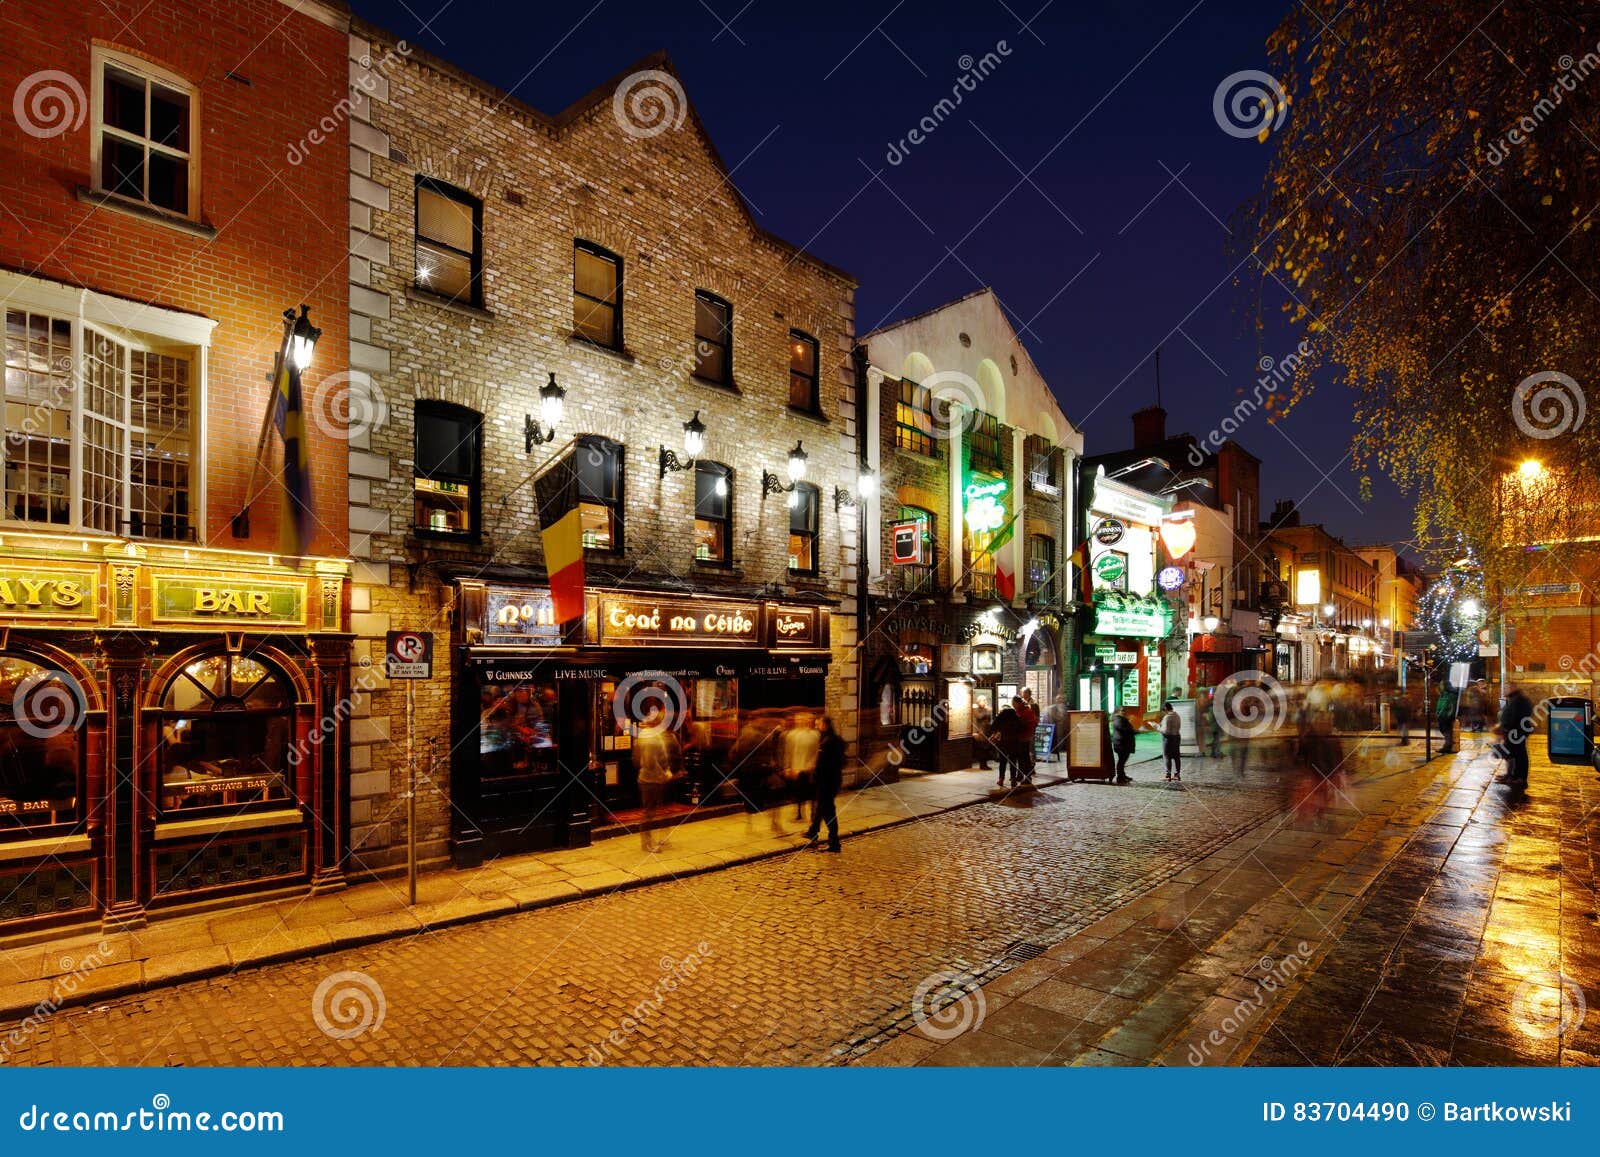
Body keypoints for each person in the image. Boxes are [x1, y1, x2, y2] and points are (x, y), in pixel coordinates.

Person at [633, 708, 676, 852]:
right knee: (649, 812)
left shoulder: (644, 736)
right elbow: (651, 761)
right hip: (651, 779)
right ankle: (647, 844)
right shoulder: (651, 738)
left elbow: (637, 759)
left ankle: (648, 841)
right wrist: (664, 774)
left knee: (651, 811)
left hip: (646, 778)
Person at [803, 715, 846, 852]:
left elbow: (822, 764)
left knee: (828, 811)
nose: (816, 727)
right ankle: (813, 831)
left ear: (825, 725)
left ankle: (834, 842)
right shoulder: (837, 740)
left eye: (818, 724)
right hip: (834, 780)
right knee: (821, 807)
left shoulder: (827, 742)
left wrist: (815, 776)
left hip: (826, 781)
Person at [782, 712, 820, 821]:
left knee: (812, 791)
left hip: (810, 769)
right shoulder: (792, 735)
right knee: (798, 791)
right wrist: (787, 767)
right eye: (798, 719)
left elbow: (817, 752)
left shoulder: (815, 734)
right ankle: (799, 813)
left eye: (804, 719)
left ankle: (813, 812)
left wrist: (812, 766)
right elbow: (788, 752)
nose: (801, 721)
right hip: (796, 768)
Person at [1496, 682, 1534, 787]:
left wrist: (1506, 728)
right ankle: (1512, 775)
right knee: (1512, 754)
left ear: (1512, 688)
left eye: (1506, 688)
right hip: (1514, 731)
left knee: (1519, 755)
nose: (1504, 690)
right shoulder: (1515, 698)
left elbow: (1515, 717)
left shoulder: (1520, 700)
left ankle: (1520, 778)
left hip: (1517, 732)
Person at [991, 698, 1025, 787]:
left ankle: (1001, 779)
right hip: (1014, 743)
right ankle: (1013, 779)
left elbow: (993, 727)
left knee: (1003, 761)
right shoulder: (1016, 718)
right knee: (1013, 761)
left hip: (1003, 743)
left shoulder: (1001, 718)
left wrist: (998, 731)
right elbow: (1021, 729)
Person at [1148, 701, 1182, 781]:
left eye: (1163, 711)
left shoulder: (1168, 717)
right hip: (1176, 737)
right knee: (1176, 757)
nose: (1163, 713)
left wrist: (1155, 726)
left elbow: (1165, 731)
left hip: (1168, 738)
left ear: (1165, 709)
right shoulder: (1177, 715)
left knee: (1167, 756)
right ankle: (1177, 774)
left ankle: (1168, 775)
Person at [1015, 693, 1039, 784]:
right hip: (1023, 737)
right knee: (1022, 758)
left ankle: (1028, 776)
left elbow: (1034, 722)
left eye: (1013, 703)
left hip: (1025, 737)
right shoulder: (1021, 710)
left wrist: (1027, 730)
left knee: (1025, 757)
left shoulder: (1026, 710)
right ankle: (1020, 775)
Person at [1109, 706, 1136, 783]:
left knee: (1122, 761)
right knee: (1121, 761)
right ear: (1117, 711)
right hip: (1121, 744)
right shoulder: (1118, 719)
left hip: (1123, 743)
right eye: (1122, 710)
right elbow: (1125, 730)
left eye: (1124, 710)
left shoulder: (1121, 719)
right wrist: (1135, 730)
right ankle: (1120, 777)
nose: (1124, 712)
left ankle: (1122, 775)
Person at [972, 697, 994, 771]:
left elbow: (989, 719)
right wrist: (987, 710)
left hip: (987, 730)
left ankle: (985, 764)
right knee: (982, 749)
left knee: (986, 748)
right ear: (979, 701)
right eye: (983, 700)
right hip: (980, 731)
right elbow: (979, 716)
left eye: (985, 700)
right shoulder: (976, 709)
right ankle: (982, 764)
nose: (985, 702)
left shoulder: (986, 709)